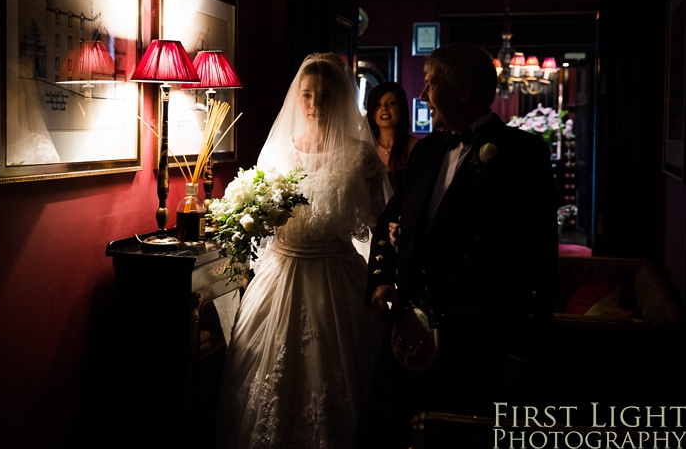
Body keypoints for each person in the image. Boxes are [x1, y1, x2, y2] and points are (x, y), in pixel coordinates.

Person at [357, 44, 557, 447]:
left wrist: (522, 353)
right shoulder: (426, 150)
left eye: (431, 85)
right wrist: (379, 280)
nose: (424, 95)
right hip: (409, 334)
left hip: (477, 341)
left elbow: (537, 262)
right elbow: (387, 221)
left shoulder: (522, 156)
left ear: (462, 92)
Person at [217, 53, 391, 449]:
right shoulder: (279, 150)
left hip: (336, 275)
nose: (314, 106)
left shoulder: (361, 155)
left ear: (342, 100)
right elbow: (259, 210)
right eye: (307, 96)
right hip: (281, 272)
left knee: (334, 375)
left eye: (325, 97)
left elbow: (379, 222)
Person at [366, 82, 419, 191]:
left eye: (391, 103)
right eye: (378, 104)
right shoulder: (366, 150)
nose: (384, 108)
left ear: (401, 109)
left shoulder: (416, 147)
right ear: (372, 114)